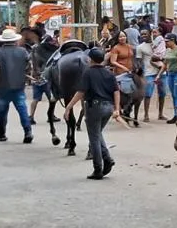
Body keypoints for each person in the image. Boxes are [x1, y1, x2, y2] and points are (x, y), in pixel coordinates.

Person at [64, 47, 121, 180]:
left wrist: (69, 107)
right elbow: (116, 91)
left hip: (94, 107)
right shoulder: (109, 73)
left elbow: (81, 92)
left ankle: (98, 168)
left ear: (90, 59)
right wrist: (117, 109)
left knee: (94, 139)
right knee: (98, 133)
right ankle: (107, 159)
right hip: (108, 107)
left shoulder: (88, 73)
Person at [0, 28, 33, 144]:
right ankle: (28, 132)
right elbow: (29, 66)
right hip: (19, 85)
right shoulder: (23, 51)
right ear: (15, 40)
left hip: (3, 86)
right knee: (22, 109)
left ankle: (1, 133)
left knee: (2, 111)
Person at [135, 29, 166, 121]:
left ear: (150, 34)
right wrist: (139, 74)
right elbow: (139, 61)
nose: (143, 35)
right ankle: (146, 115)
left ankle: (160, 114)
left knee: (163, 93)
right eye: (141, 34)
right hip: (148, 73)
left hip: (161, 72)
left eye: (145, 33)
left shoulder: (159, 43)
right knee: (148, 94)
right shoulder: (140, 47)